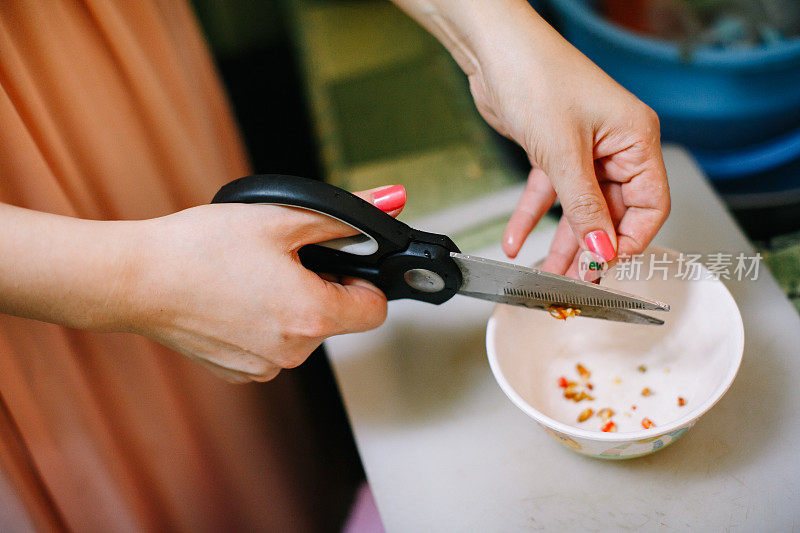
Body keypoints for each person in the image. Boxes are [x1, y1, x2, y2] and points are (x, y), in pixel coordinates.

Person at [0, 0, 669, 530]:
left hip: (112, 70)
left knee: (250, 445)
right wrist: (133, 281)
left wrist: (492, 30)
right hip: (34, 285)